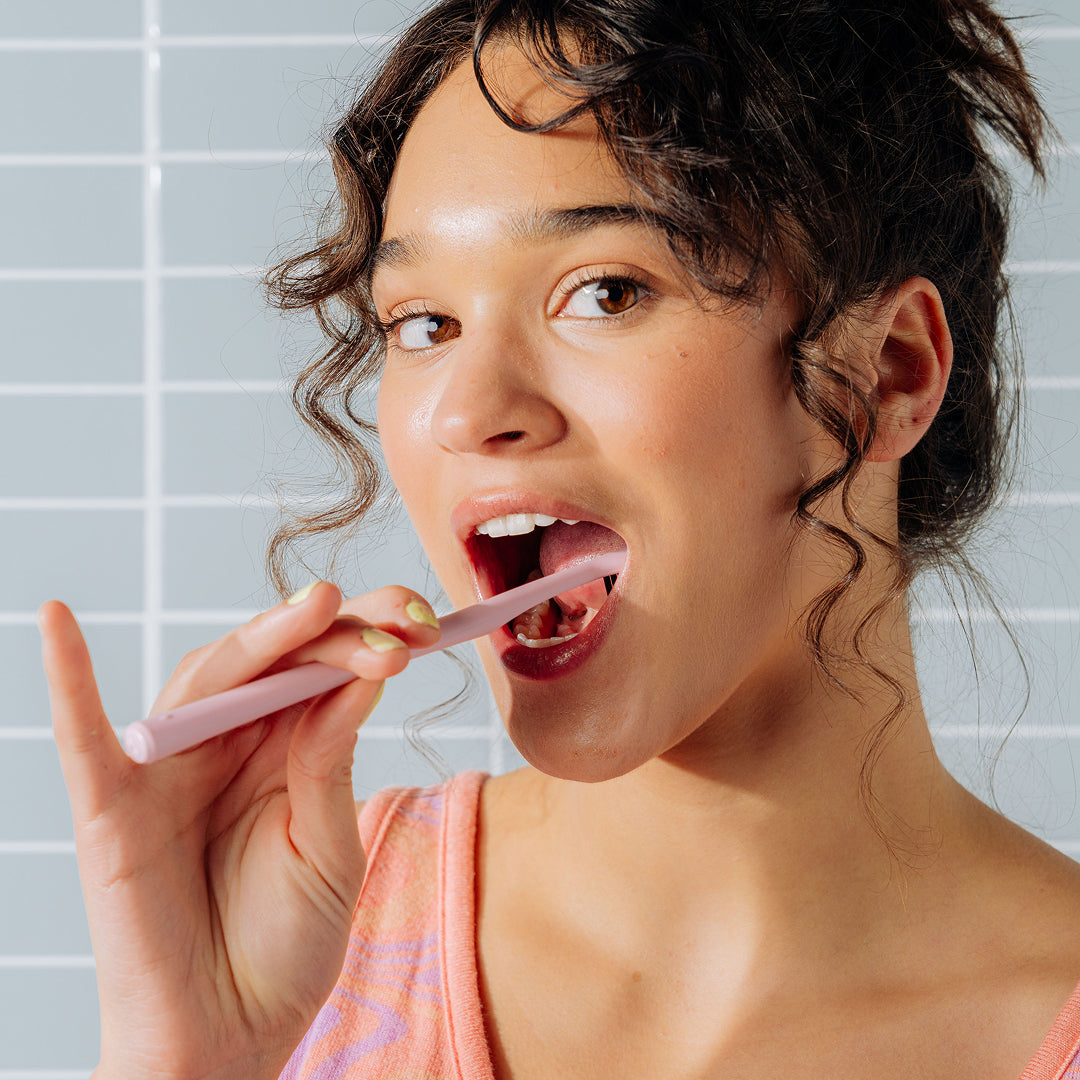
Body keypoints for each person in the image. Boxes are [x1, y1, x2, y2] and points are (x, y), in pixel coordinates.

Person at [37, 1, 1080, 1077]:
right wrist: (184, 1056)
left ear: (886, 374)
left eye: (606, 292)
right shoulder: (307, 943)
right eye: (423, 324)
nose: (464, 409)